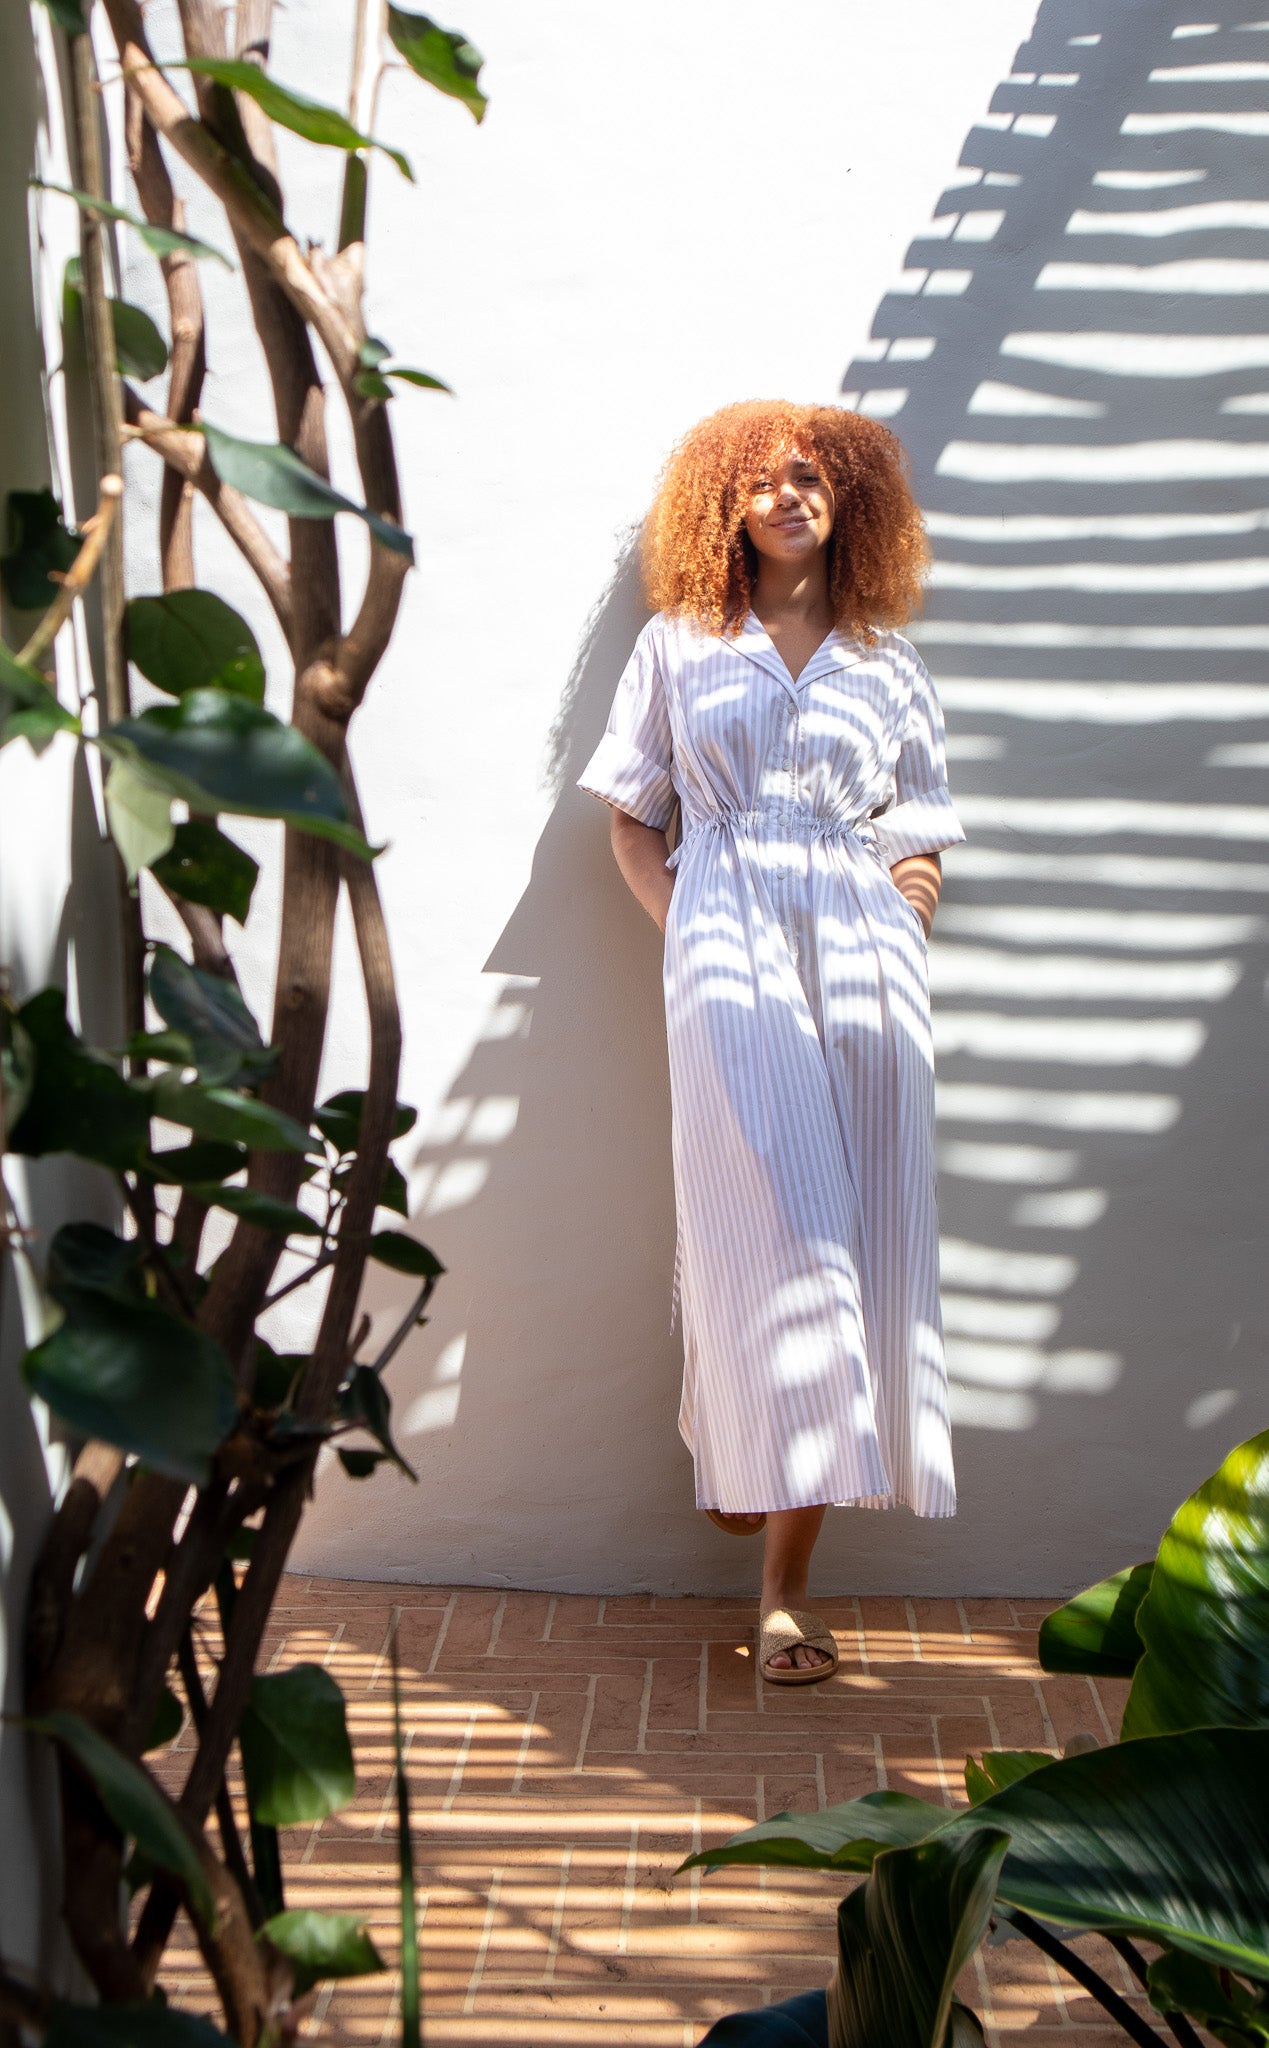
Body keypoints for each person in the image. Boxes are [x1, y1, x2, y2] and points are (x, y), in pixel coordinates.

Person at [578, 400, 965, 1686]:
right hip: (728, 945)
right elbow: (633, 816)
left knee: (853, 1236)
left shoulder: (886, 662)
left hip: (863, 959)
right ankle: (735, 1436)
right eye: (763, 482)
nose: (791, 496)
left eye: (812, 477)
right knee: (771, 1229)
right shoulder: (681, 645)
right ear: (722, 507)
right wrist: (686, 919)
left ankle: (782, 1588)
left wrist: (903, 913)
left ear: (848, 499)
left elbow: (917, 827)